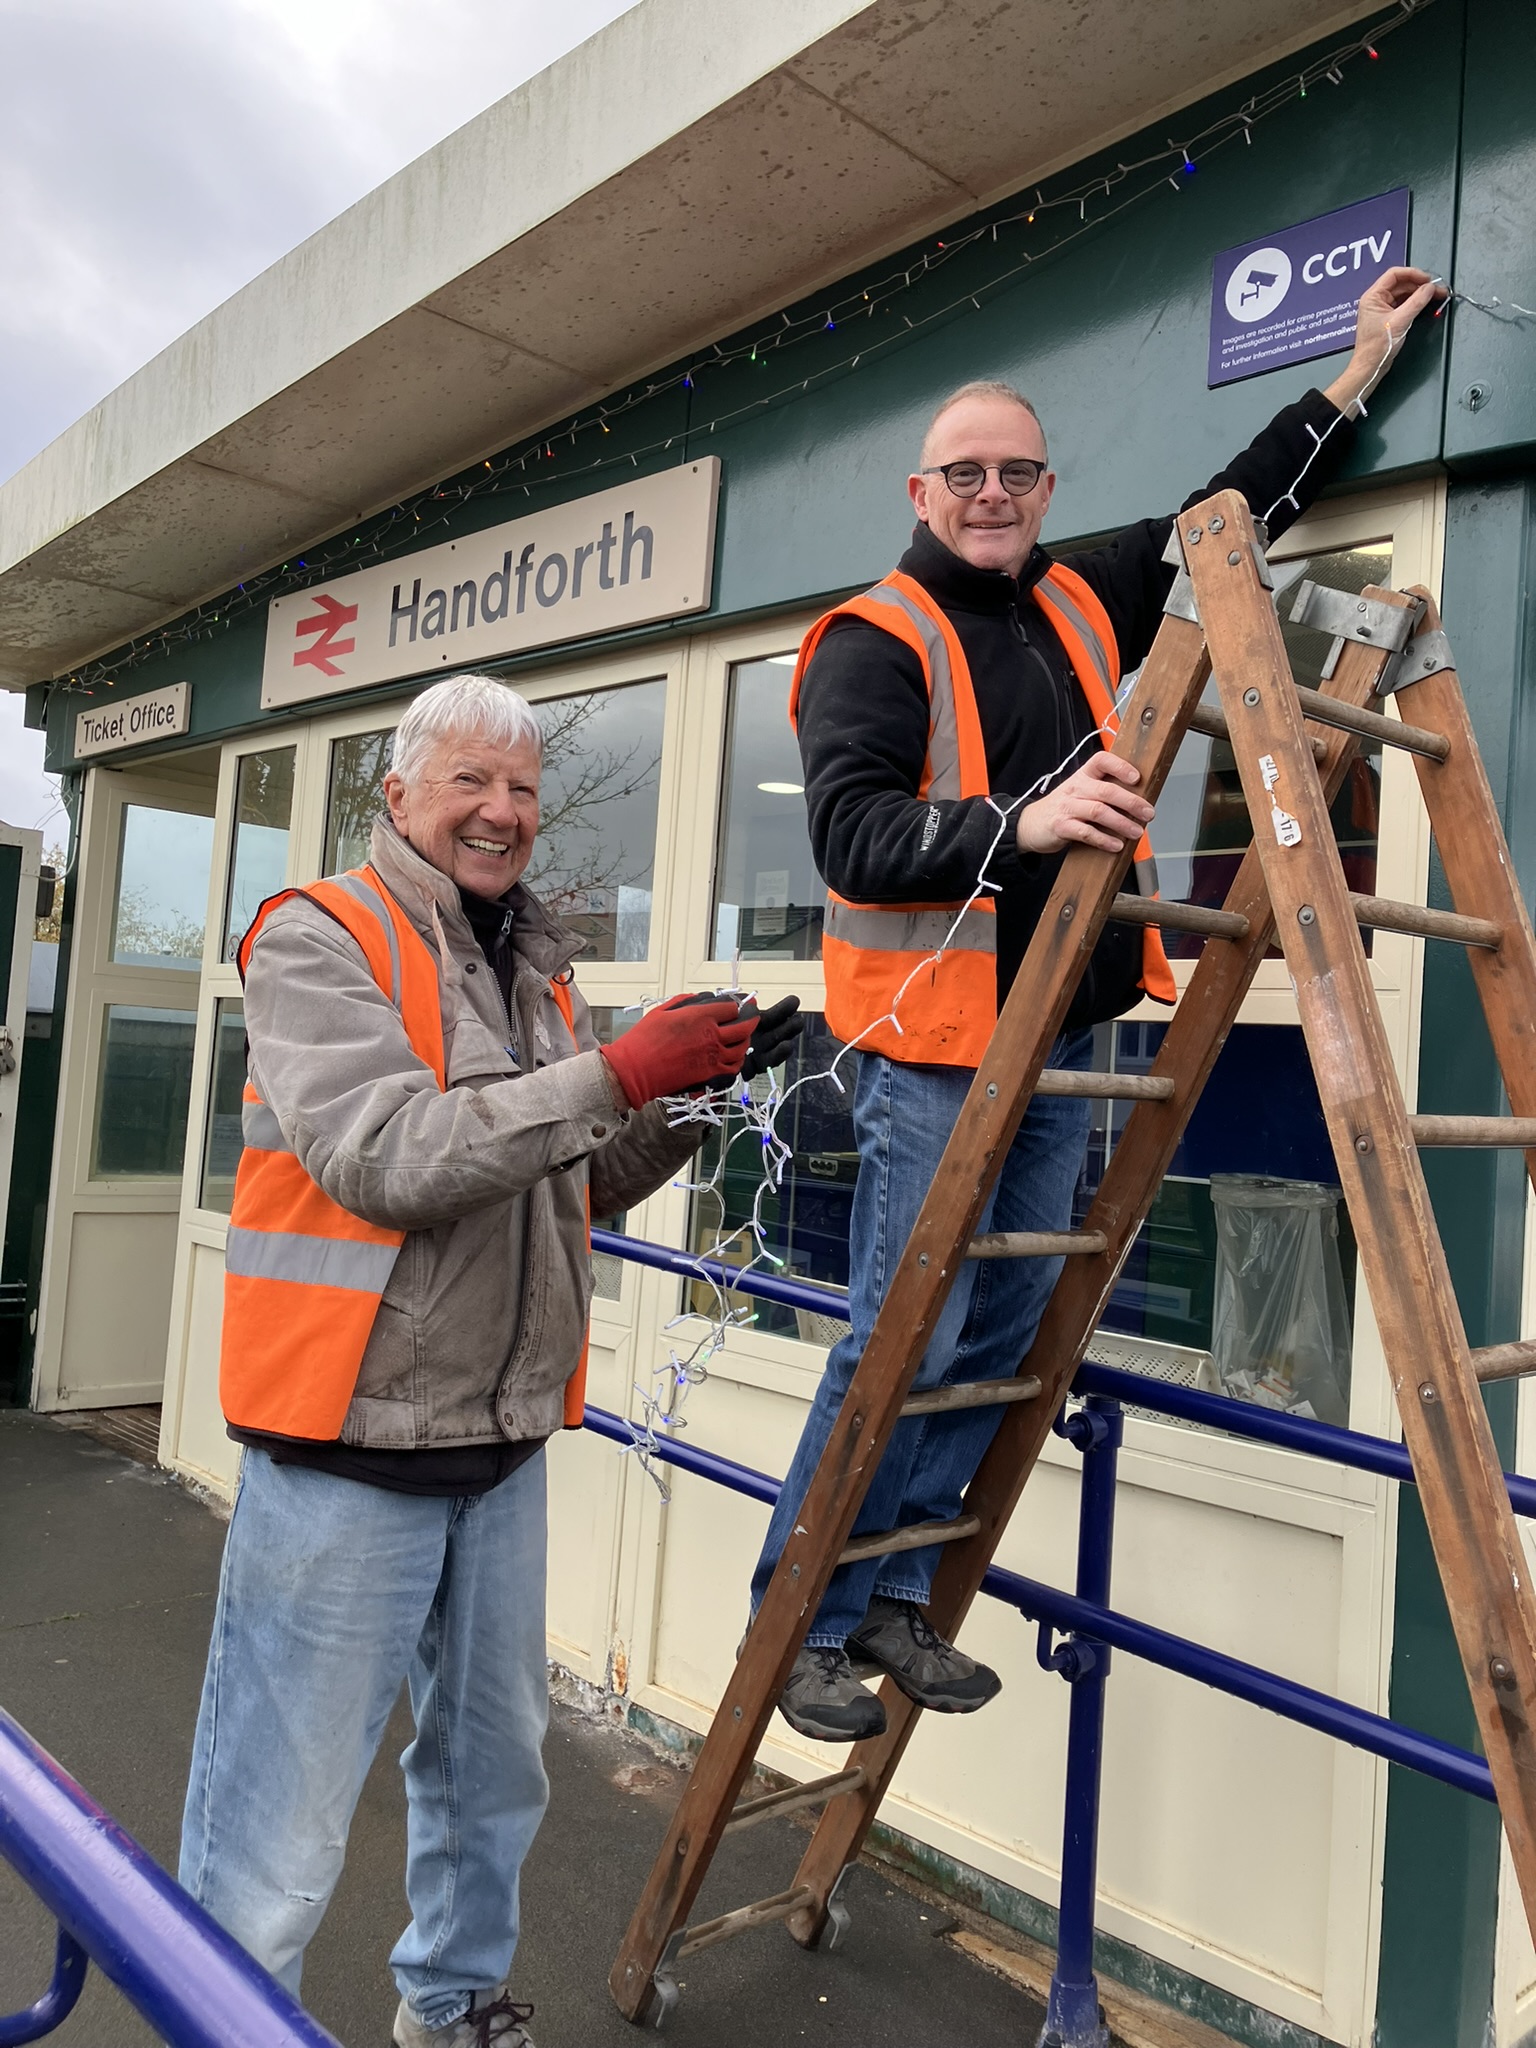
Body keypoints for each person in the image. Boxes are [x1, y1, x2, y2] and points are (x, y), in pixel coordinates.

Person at [749, 267, 1446, 1741]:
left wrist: (1359, 369)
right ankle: (801, 1614)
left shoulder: (1083, 587)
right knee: (903, 1336)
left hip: (1063, 1029)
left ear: (1043, 484)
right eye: (966, 475)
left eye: (1015, 471)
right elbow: (853, 839)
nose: (992, 493)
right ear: (921, 491)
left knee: (998, 1329)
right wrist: (1028, 820)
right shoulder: (873, 639)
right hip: (934, 1047)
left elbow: (1235, 510)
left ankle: (896, 1591)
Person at [179, 672, 800, 2047]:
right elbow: (386, 1158)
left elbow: (565, 1189)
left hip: (499, 1448)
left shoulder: (534, 971)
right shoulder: (315, 934)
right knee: (278, 1813)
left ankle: (450, 2008)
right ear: (396, 796)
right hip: (345, 1449)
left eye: (521, 789)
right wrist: (618, 1073)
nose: (502, 811)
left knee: (491, 1777)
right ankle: (219, 2022)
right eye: (471, 782)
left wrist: (690, 1095)